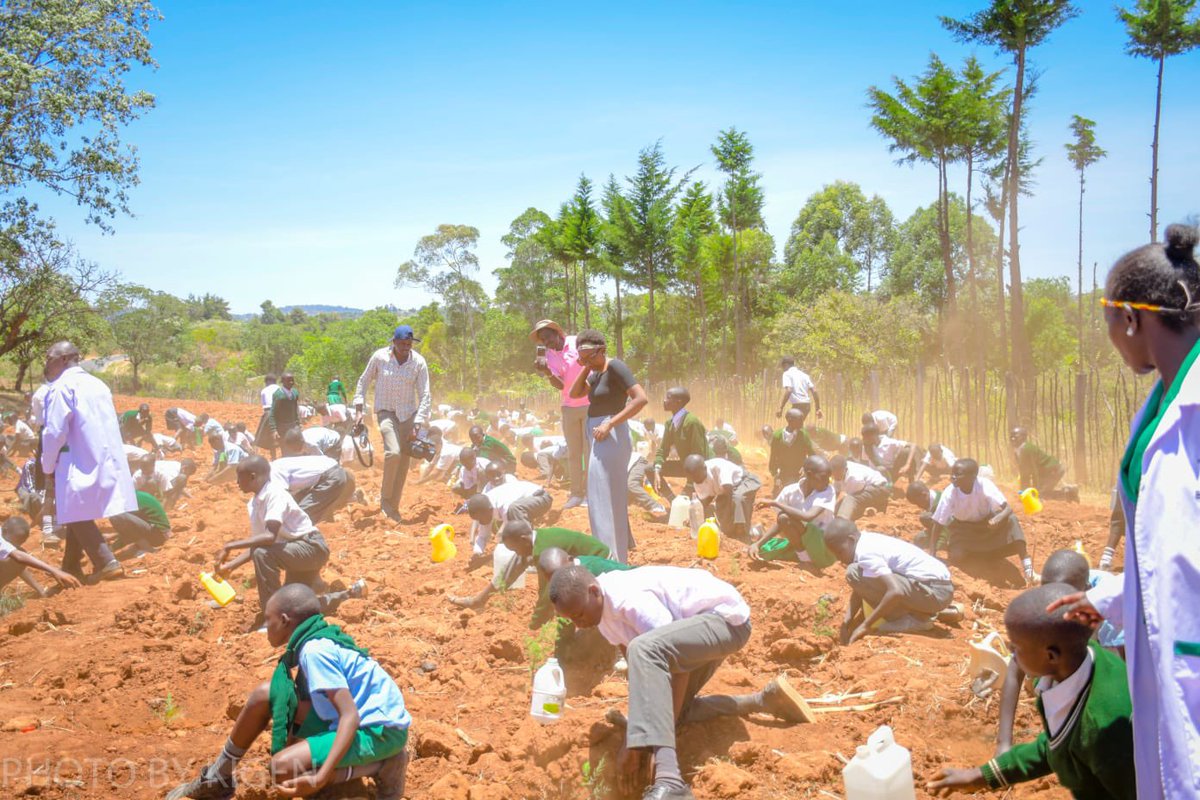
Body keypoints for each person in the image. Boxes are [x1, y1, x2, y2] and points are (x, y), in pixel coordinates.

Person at [1049, 224, 1200, 799]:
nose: (1110, 335)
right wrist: (1110, 595)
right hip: (1173, 650)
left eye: (1108, 320)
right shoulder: (1165, 396)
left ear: (1132, 319)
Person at [548, 565, 811, 800]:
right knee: (672, 712)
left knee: (648, 660)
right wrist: (644, 727)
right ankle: (762, 701)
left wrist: (639, 744)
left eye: (579, 614)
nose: (579, 624)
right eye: (571, 619)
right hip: (690, 634)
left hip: (724, 621)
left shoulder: (628, 599)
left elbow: (673, 665)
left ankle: (670, 779)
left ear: (594, 590)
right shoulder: (602, 615)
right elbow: (643, 676)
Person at [165, 584, 410, 800]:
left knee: (281, 768)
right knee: (265, 695)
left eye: (267, 619)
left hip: (379, 732)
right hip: (352, 721)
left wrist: (320, 777)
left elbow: (350, 716)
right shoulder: (313, 640)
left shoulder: (315, 651)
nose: (265, 625)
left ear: (283, 620)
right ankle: (218, 777)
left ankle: (383, 765)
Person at [927, 583, 1134, 799]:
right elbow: (1059, 746)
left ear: (1051, 656)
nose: (1011, 653)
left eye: (1017, 647)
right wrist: (981, 776)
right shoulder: (1081, 664)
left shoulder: (1102, 732)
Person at [994, 549, 1125, 757]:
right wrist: (1003, 744)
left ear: (1087, 590)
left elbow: (1128, 681)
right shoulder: (1052, 600)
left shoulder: (1115, 614)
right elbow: (1015, 666)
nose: (1056, 604)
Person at [40, 341, 133, 582]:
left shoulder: (61, 387)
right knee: (74, 509)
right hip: (100, 454)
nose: (45, 363)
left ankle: (106, 561)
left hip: (76, 458)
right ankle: (71, 566)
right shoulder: (97, 384)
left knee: (73, 510)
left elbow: (54, 432)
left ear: (64, 359)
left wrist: (47, 465)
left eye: (49, 357)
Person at [214, 456, 331, 631]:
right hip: (294, 554)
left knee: (263, 554)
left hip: (311, 548)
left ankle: (273, 619)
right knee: (297, 608)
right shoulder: (255, 504)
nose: (236, 482)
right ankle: (348, 594)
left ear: (253, 477)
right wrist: (229, 566)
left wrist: (229, 546)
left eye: (240, 477)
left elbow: (268, 538)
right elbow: (258, 544)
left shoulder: (275, 494)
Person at [569, 329, 649, 564]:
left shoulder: (615, 367)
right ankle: (615, 556)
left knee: (601, 495)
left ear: (602, 350)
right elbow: (574, 393)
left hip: (611, 435)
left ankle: (609, 557)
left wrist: (610, 423)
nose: (585, 360)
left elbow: (641, 399)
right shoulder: (594, 374)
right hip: (598, 435)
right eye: (581, 355)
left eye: (589, 355)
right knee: (604, 495)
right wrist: (586, 365)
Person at [824, 518, 957, 642]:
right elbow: (861, 587)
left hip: (935, 592)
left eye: (840, 552)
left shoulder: (866, 553)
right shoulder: (867, 540)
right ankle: (919, 613)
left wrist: (866, 625)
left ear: (851, 540)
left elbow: (895, 591)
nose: (839, 558)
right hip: (936, 589)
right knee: (856, 572)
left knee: (853, 572)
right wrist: (848, 620)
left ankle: (915, 620)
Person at [448, 521, 613, 620]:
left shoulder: (541, 552)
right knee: (520, 560)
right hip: (587, 560)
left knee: (576, 604)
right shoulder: (535, 539)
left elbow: (547, 592)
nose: (516, 553)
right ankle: (479, 599)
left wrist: (536, 623)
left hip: (600, 564)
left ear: (523, 539)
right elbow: (514, 567)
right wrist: (484, 597)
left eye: (515, 548)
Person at [353, 325, 432, 522]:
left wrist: (418, 423)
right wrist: (359, 409)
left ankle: (392, 507)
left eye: (409, 344)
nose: (406, 348)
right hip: (386, 412)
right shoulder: (380, 357)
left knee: (403, 463)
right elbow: (363, 381)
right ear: (394, 343)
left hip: (408, 416)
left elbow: (425, 395)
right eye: (402, 344)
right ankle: (384, 499)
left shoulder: (418, 363)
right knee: (393, 453)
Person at [929, 458, 1035, 584]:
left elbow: (1007, 509)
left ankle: (1028, 569)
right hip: (963, 531)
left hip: (987, 527)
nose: (953, 477)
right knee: (957, 556)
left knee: (1011, 520)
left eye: (958, 474)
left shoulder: (984, 485)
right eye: (952, 473)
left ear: (973, 476)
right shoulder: (950, 492)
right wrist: (932, 554)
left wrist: (997, 519)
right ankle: (985, 556)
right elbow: (938, 523)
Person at [532, 319, 590, 510]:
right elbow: (561, 384)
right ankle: (575, 493)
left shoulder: (576, 342)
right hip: (569, 406)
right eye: (542, 340)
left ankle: (590, 493)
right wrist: (548, 372)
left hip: (590, 403)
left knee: (590, 452)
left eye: (548, 337)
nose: (546, 342)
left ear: (557, 332)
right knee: (574, 453)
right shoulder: (549, 355)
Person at [747, 455, 837, 570]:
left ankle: (807, 560)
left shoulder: (828, 491)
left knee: (785, 518)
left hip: (822, 543)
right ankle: (804, 557)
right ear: (809, 475)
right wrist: (758, 544)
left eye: (828, 479)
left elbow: (808, 517)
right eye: (823, 478)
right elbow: (781, 522)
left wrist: (775, 503)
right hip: (801, 541)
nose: (826, 483)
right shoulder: (790, 491)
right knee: (767, 547)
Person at [273, 431, 356, 523]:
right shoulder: (278, 467)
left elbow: (322, 462)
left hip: (332, 447)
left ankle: (340, 504)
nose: (294, 451)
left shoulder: (312, 445)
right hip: (326, 470)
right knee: (307, 501)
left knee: (304, 510)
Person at [464, 479, 553, 556]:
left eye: (481, 518)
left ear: (489, 510)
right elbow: (483, 536)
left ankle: (532, 549)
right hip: (528, 504)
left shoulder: (503, 505)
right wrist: (477, 552)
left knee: (514, 510)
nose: (481, 522)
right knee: (514, 512)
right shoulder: (485, 506)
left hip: (542, 498)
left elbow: (508, 530)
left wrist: (502, 543)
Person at [683, 453, 761, 541]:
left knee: (738, 501)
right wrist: (692, 518)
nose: (697, 481)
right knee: (726, 529)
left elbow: (729, 492)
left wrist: (732, 519)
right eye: (693, 479)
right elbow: (705, 500)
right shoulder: (697, 480)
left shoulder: (718, 467)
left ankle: (744, 535)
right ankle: (756, 531)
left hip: (743, 481)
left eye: (697, 477)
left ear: (705, 468)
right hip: (725, 491)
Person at [650, 387, 709, 501]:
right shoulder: (670, 423)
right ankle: (672, 501)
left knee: (690, 503)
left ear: (679, 402)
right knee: (650, 469)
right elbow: (663, 449)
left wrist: (690, 484)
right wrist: (657, 469)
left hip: (700, 469)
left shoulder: (692, 422)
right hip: (685, 467)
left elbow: (699, 454)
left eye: (668, 397)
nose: (664, 400)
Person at [0, 518, 81, 595]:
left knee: (16, 557)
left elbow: (17, 562)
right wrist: (55, 571)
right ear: (5, 530)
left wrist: (41, 591)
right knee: (18, 555)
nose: (16, 545)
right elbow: (19, 557)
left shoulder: (5, 536)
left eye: (20, 542)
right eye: (15, 542)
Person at [1010, 427, 1079, 502]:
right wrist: (1024, 492)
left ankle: (1069, 493)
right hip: (1047, 471)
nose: (1013, 439)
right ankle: (1069, 492)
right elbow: (1024, 473)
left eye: (1015, 436)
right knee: (1039, 493)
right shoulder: (1019, 450)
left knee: (1040, 495)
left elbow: (1033, 470)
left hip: (1053, 469)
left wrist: (1033, 489)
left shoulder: (1026, 448)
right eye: (1012, 436)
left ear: (1022, 437)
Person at [767, 408, 815, 492]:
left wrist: (805, 467)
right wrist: (775, 474)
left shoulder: (803, 435)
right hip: (783, 474)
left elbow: (812, 455)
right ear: (790, 421)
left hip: (799, 474)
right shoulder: (777, 436)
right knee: (779, 497)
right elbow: (773, 457)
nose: (802, 423)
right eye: (799, 420)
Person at [830, 454, 890, 520]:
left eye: (838, 474)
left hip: (880, 489)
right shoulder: (842, 467)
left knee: (850, 499)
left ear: (845, 469)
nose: (835, 476)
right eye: (833, 474)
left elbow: (844, 495)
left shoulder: (854, 478)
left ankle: (842, 520)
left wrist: (831, 508)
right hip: (866, 489)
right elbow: (836, 490)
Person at [776, 356, 821, 423]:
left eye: (783, 366)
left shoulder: (787, 374)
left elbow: (789, 390)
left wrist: (781, 408)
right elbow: (814, 391)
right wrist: (818, 408)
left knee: (793, 428)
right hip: (807, 406)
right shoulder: (804, 375)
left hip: (797, 405)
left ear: (786, 364)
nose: (783, 368)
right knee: (798, 426)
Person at [626, 452, 666, 517]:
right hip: (628, 468)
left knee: (632, 484)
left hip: (636, 462)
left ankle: (656, 506)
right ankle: (638, 504)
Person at [252, 374, 279, 457]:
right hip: (281, 412)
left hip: (268, 412)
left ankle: (272, 456)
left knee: (261, 436)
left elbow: (264, 405)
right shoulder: (280, 389)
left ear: (268, 381)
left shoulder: (264, 390)